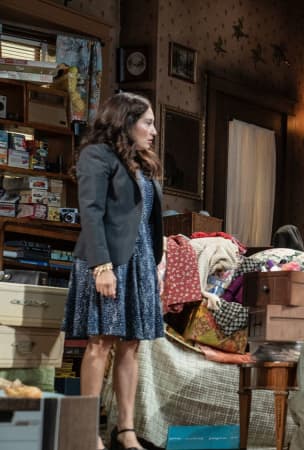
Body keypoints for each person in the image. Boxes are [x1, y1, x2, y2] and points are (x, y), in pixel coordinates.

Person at [61, 92, 163, 450]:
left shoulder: (141, 161)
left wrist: (155, 266)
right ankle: (86, 432)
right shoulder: (96, 155)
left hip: (140, 261)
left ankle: (125, 430)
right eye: (147, 122)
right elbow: (90, 211)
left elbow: (147, 221)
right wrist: (101, 267)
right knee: (100, 342)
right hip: (108, 260)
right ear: (125, 121)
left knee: (131, 345)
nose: (153, 131)